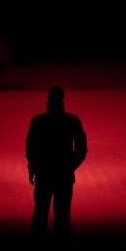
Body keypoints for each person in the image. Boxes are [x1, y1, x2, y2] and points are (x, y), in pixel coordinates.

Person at [26, 87, 87, 238]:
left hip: (44, 173)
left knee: (40, 213)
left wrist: (32, 168)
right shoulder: (72, 120)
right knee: (62, 216)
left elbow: (31, 148)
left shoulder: (38, 121)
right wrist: (70, 166)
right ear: (62, 99)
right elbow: (81, 149)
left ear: (48, 99)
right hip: (63, 175)